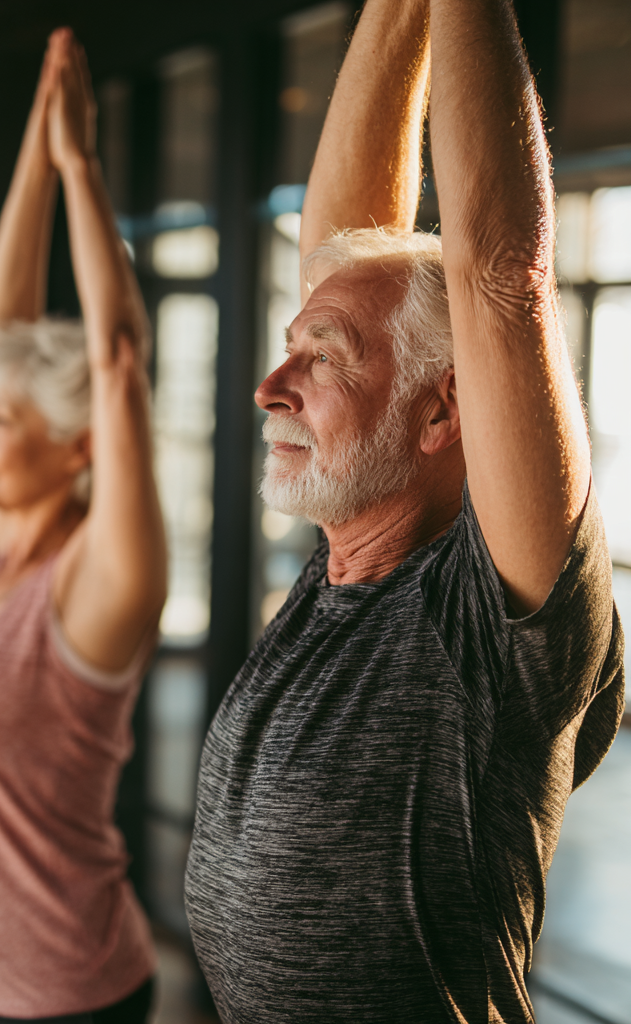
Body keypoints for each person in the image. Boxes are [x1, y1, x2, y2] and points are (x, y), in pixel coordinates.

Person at [183, 0, 624, 1021]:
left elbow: (498, 273)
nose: (269, 386)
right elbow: (340, 246)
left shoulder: (488, 618)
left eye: (321, 357)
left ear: (440, 411)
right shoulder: (346, 561)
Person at [0, 29, 166, 1024]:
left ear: (78, 447)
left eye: (1, 425)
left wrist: (80, 168)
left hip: (64, 999)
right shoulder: (1, 564)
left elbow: (118, 360)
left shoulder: (96, 583)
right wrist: (34, 147)